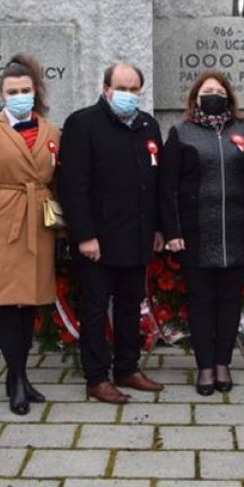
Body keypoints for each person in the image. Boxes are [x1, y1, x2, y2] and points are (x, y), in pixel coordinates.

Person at [160, 70, 244, 395]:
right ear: (196, 97)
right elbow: (168, 187)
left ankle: (224, 363)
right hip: (196, 234)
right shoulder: (181, 132)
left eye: (219, 91)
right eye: (207, 90)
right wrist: (172, 231)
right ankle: (205, 367)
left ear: (228, 97)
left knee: (229, 303)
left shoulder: (243, 130)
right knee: (201, 303)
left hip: (238, 234)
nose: (213, 95)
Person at [57, 62, 164, 404]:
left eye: (134, 89)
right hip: (98, 241)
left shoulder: (148, 125)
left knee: (132, 306)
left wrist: (158, 228)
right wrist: (85, 235)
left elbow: (155, 182)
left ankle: (127, 368)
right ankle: (97, 377)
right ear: (106, 89)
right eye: (122, 88)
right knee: (94, 308)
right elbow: (73, 186)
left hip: (137, 236)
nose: (128, 95)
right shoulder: (82, 123)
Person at [0, 54, 61, 415]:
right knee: (6, 303)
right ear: (2, 94)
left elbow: (59, 183)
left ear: (35, 92)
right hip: (0, 223)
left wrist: (61, 232)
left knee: (30, 303)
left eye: (25, 89)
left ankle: (18, 375)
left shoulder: (51, 132)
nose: (19, 95)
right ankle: (17, 379)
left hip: (37, 225)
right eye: (12, 90)